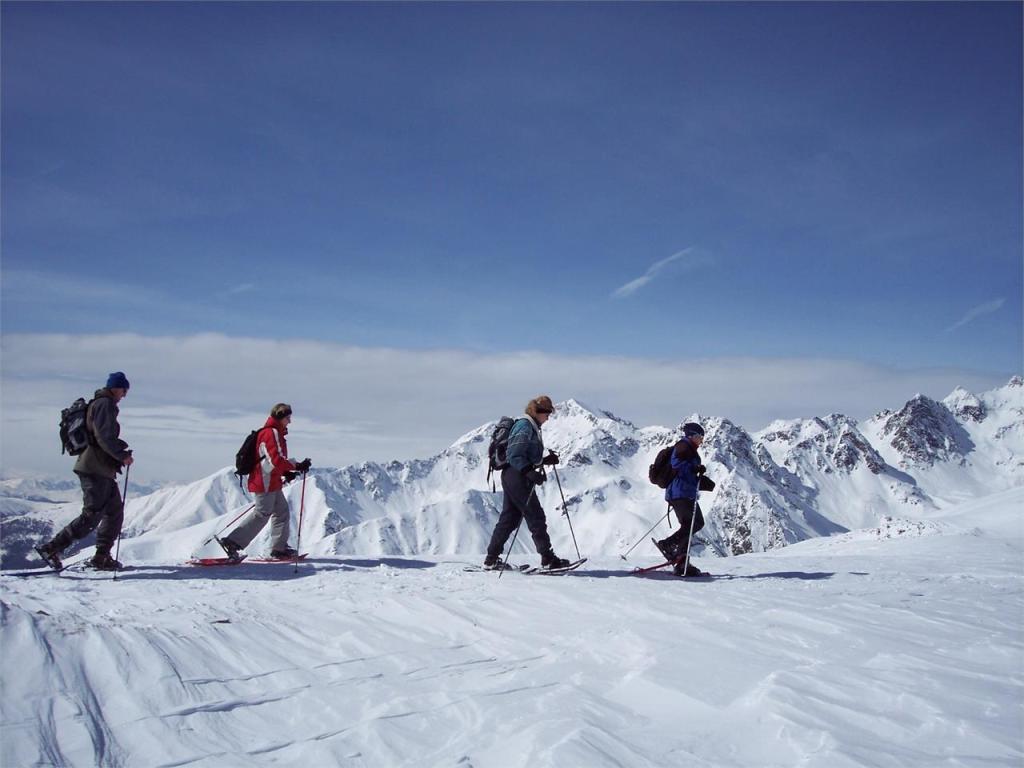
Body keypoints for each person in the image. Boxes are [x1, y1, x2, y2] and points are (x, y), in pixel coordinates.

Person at [36, 372, 135, 571]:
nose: (124, 395)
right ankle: (52, 548)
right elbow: (103, 436)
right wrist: (121, 455)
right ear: (116, 388)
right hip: (94, 468)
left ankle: (101, 557)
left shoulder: (102, 404)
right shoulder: (105, 405)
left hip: (101, 468)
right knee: (92, 515)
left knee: (114, 512)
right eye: (124, 390)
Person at [483, 395, 571, 571]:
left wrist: (545, 461)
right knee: (535, 516)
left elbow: (524, 455)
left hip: (512, 475)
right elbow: (514, 455)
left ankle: (491, 559)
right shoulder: (525, 426)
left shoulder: (529, 426)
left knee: (509, 518)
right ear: (539, 412)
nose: (548, 418)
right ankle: (548, 559)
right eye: (547, 413)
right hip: (517, 476)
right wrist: (529, 473)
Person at [218, 403, 310, 561]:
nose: (290, 421)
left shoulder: (275, 432)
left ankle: (278, 549)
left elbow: (270, 461)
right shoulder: (271, 433)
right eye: (288, 418)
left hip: (270, 481)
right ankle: (233, 542)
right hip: (264, 482)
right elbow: (276, 460)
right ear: (281, 417)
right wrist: (296, 466)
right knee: (262, 513)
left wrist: (286, 472)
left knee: (281, 512)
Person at [654, 422, 708, 577]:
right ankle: (668, 545)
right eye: (699, 437)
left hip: (683, 492)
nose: (701, 441)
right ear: (691, 435)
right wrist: (694, 468)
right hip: (680, 493)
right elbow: (676, 463)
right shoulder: (684, 446)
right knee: (694, 524)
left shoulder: (688, 448)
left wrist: (699, 478)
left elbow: (685, 471)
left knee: (691, 525)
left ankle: (682, 562)